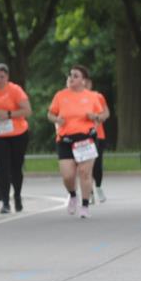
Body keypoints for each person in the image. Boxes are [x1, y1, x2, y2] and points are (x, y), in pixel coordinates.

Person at [47, 65, 108, 219]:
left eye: (76, 76)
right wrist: (57, 119)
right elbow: (50, 114)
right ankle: (73, 195)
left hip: (86, 139)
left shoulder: (92, 96)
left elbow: (102, 115)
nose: (72, 78)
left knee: (85, 173)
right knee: (68, 176)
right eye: (70, 75)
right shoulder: (60, 95)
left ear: (83, 81)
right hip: (65, 139)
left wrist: (95, 117)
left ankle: (85, 205)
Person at [0, 63, 32, 214]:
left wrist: (8, 114)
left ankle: (17, 196)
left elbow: (27, 111)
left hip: (17, 134)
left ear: (7, 77)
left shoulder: (15, 90)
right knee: (2, 169)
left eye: (2, 77)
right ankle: (5, 202)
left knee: (16, 168)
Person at [84, 77, 110, 203]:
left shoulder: (97, 96)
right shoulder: (75, 99)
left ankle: (98, 186)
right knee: (86, 165)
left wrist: (96, 117)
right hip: (82, 135)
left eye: (87, 83)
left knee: (97, 165)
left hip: (98, 134)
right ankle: (89, 193)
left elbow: (106, 114)